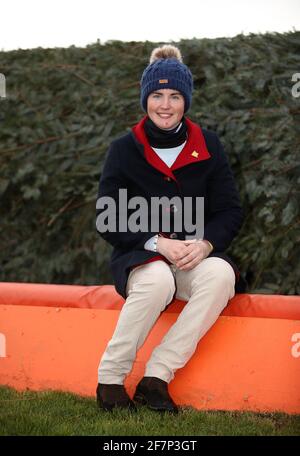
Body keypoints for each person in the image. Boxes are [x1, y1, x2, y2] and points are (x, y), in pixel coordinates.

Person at [95, 45, 244, 413]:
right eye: (157, 95)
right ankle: (110, 381)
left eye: (175, 96)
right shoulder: (123, 149)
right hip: (140, 256)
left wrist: (207, 244)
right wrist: (156, 242)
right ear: (146, 98)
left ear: (186, 100)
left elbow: (229, 210)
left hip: (192, 258)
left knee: (222, 274)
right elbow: (106, 216)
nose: (165, 104)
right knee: (158, 278)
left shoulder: (208, 144)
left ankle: (156, 378)